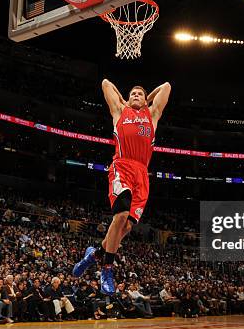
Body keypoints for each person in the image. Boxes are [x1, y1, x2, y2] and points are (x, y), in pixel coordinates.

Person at [73, 79, 171, 294]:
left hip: (142, 174)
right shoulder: (119, 112)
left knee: (126, 226)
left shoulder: (152, 115)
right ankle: (107, 268)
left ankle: (95, 254)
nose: (136, 95)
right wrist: (124, 101)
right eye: (133, 93)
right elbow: (106, 83)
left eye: (140, 93)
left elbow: (166, 86)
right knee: (120, 216)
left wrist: (147, 99)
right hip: (122, 166)